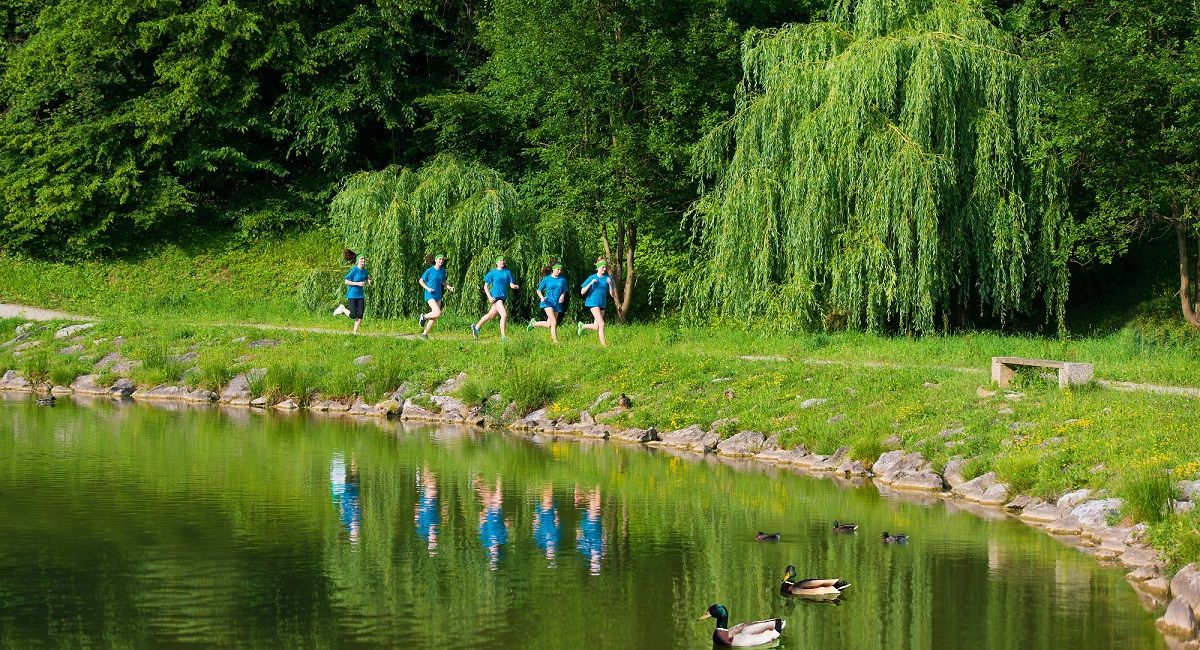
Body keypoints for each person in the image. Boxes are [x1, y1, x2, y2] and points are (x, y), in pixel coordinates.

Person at [472, 256, 519, 341]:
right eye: (500, 260)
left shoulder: (507, 272)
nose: (502, 261)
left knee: (490, 315)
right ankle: (504, 337)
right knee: (504, 315)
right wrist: (489, 297)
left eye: (503, 260)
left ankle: (476, 327)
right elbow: (485, 286)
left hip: (503, 297)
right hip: (496, 297)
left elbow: (511, 284)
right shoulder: (492, 273)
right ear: (496, 263)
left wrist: (514, 286)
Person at [578, 259, 617, 346]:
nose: (604, 269)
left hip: (602, 303)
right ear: (598, 267)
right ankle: (604, 346)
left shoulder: (608, 278)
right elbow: (582, 292)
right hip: (593, 302)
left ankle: (582, 326)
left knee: (597, 327)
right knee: (602, 323)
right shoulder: (592, 277)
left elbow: (612, 294)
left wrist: (610, 284)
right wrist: (591, 283)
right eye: (603, 267)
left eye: (605, 267)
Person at [527, 262, 568, 343]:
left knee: (549, 324)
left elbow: (564, 290)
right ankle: (555, 342)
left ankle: (534, 324)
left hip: (557, 303)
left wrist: (562, 296)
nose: (559, 271)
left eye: (560, 270)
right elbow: (539, 290)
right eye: (558, 269)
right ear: (553, 269)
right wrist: (542, 297)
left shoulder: (562, 280)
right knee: (554, 322)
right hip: (548, 302)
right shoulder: (546, 279)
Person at [418, 254, 454, 339]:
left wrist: (449, 287)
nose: (441, 261)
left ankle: (424, 334)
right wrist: (428, 288)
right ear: (436, 260)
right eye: (439, 259)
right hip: (430, 294)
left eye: (442, 260)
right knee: (438, 312)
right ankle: (424, 316)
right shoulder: (429, 271)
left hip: (438, 294)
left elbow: (443, 282)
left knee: (435, 316)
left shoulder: (443, 271)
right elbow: (421, 281)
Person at [334, 254, 370, 334]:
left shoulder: (365, 271)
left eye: (364, 259)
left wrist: (368, 281)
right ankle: (342, 309)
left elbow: (367, 278)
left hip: (360, 295)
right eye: (361, 259)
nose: (363, 260)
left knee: (360, 314)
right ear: (358, 260)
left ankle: (354, 333)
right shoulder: (354, 270)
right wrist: (357, 284)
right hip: (352, 294)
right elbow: (346, 281)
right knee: (353, 315)